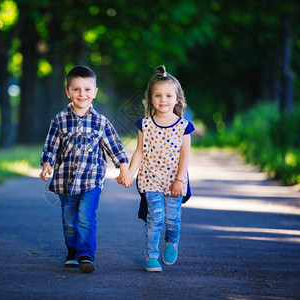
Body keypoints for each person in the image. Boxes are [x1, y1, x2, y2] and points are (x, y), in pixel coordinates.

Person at [40, 65, 132, 273]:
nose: (82, 94)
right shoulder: (59, 120)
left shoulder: (101, 122)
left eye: (87, 89)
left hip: (92, 181)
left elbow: (115, 147)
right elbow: (51, 146)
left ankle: (86, 256)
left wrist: (124, 168)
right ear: (68, 92)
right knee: (69, 220)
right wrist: (47, 164)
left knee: (86, 217)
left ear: (95, 92)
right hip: (66, 181)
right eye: (76, 89)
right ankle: (72, 252)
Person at [117, 65, 195, 272]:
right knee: (155, 217)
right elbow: (140, 152)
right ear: (150, 99)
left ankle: (172, 241)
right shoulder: (145, 125)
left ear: (177, 99)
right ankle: (151, 256)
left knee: (172, 218)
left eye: (169, 95)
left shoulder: (183, 126)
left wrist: (180, 180)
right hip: (150, 179)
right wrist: (130, 173)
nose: (163, 100)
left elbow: (185, 155)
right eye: (158, 95)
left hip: (174, 180)